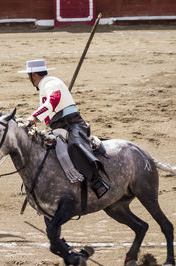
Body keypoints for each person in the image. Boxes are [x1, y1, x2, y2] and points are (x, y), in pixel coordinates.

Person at [18, 59, 109, 199]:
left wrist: (33, 117)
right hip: (59, 127)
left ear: (33, 75)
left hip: (72, 124)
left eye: (29, 76)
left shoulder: (50, 83)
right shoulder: (47, 84)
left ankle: (97, 181)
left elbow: (53, 100)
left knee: (75, 146)